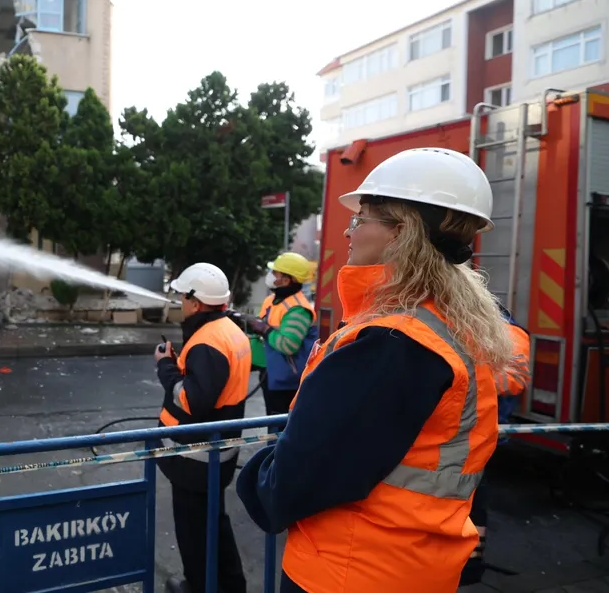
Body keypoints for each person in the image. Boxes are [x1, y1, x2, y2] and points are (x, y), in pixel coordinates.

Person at [235, 147, 515, 593]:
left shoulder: (392, 343)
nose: (348, 231)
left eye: (361, 218)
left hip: (350, 572)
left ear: (400, 232)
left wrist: (256, 477)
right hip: (411, 568)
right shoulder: (448, 325)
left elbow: (295, 481)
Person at [155, 262, 251, 593]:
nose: (180, 303)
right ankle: (230, 585)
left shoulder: (207, 341)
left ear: (196, 302)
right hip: (214, 454)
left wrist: (166, 367)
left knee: (193, 531)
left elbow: (194, 400)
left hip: (193, 459)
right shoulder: (227, 331)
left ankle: (199, 587)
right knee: (214, 523)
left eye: (182, 297)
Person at [459, 306, 531, 586]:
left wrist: (464, 379)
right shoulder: (486, 330)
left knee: (473, 500)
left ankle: (470, 566)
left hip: (478, 432)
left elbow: (513, 380)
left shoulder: (510, 335)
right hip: (469, 430)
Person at [244, 252, 319, 415]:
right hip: (268, 370)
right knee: (271, 418)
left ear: (286, 280)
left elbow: (288, 345)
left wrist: (264, 329)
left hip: (285, 380)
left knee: (279, 423)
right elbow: (262, 326)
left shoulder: (298, 309)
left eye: (275, 273)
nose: (270, 276)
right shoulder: (272, 300)